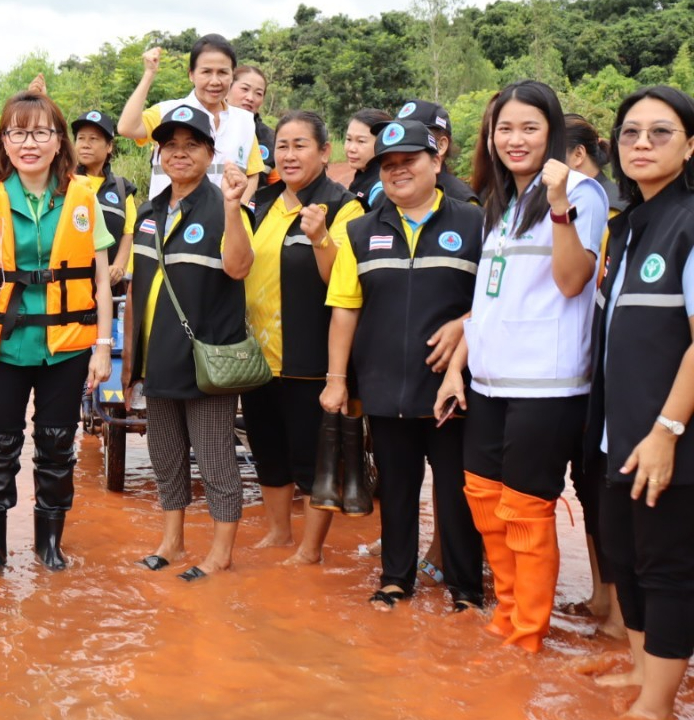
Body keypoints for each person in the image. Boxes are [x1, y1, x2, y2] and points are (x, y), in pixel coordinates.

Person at [434, 80, 607, 653]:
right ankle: (507, 611)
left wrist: (559, 208)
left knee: (527, 509)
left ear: (552, 133)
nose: (515, 138)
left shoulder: (581, 190)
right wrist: (457, 368)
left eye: (530, 127)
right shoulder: (501, 204)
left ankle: (527, 634)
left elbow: (572, 279)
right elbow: (487, 300)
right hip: (487, 378)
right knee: (482, 497)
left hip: (548, 382)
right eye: (504, 128)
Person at [0, 91, 112, 572]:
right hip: (4, 345)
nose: (28, 143)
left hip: (68, 345)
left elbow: (100, 280)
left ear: (59, 142)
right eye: (18, 132)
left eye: (40, 132)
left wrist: (103, 346)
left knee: (58, 444)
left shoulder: (82, 197)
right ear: (5, 141)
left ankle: (48, 545)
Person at [322, 119, 484, 611]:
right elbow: (345, 308)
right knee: (395, 489)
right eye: (388, 166)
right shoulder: (359, 231)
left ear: (436, 161)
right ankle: (396, 579)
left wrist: (465, 324)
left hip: (453, 387)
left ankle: (465, 589)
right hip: (385, 384)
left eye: (409, 161)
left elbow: (501, 297)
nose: (398, 172)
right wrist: (335, 381)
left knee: (457, 494)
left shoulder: (475, 222)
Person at [585, 85, 694, 720]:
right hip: (616, 434)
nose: (642, 144)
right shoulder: (626, 227)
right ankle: (638, 668)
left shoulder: (688, 221)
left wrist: (668, 430)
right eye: (630, 133)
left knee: (668, 568)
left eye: (660, 132)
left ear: (689, 144)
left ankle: (656, 704)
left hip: (665, 438)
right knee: (625, 557)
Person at [121, 106, 255, 580]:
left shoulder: (224, 207)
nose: (180, 154)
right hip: (159, 361)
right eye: (171, 146)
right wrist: (129, 368)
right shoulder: (148, 213)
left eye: (191, 145)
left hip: (207, 361)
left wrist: (235, 209)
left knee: (216, 456)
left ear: (209, 153)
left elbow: (239, 268)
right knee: (166, 455)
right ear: (159, 155)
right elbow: (136, 292)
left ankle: (221, 551)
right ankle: (172, 540)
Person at [241, 111, 365, 562]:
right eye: (283, 146)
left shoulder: (344, 206)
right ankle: (278, 532)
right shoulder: (265, 201)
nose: (289, 155)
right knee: (267, 449)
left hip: (310, 356)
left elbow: (345, 286)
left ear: (324, 152)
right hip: (258, 355)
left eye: (300, 145)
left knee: (313, 459)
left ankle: (310, 548)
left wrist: (320, 240)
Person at [562, 111, 628, 638]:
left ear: (577, 157)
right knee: (589, 489)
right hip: (587, 366)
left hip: (605, 371)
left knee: (604, 490)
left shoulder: (611, 212)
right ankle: (602, 597)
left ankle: (620, 617)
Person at [118, 35, 265, 201]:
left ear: (232, 76)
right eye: (206, 72)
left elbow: (252, 173)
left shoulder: (244, 121)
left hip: (222, 223)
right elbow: (127, 128)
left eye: (223, 72)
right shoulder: (168, 111)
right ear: (191, 75)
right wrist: (149, 74)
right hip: (169, 222)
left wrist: (237, 211)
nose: (215, 81)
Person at [71, 110, 137, 295]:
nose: (85, 145)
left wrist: (118, 266)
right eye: (81, 138)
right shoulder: (64, 182)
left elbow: (129, 232)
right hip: (71, 282)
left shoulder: (122, 188)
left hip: (110, 285)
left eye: (93, 139)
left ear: (109, 146)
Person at [395, 99, 480, 204]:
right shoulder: (390, 194)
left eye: (415, 137)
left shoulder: (462, 201)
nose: (401, 145)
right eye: (399, 135)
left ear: (441, 146)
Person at [228, 65, 276, 181]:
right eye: (244, 89)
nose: (250, 98)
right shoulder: (204, 127)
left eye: (258, 93)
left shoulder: (272, 140)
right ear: (227, 89)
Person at [345, 109, 393, 210]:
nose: (351, 148)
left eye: (361, 141)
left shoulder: (381, 188)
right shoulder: (362, 174)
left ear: (381, 142)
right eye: (349, 139)